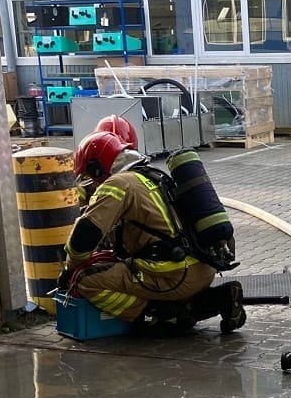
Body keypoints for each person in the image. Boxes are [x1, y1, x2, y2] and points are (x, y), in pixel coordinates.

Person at [59, 131, 246, 335]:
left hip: (171, 274)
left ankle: (158, 314)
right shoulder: (149, 176)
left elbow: (85, 235)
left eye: (89, 176)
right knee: (129, 269)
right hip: (201, 268)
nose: (91, 184)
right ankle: (220, 298)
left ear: (97, 168)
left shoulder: (116, 185)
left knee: (86, 280)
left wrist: (69, 269)